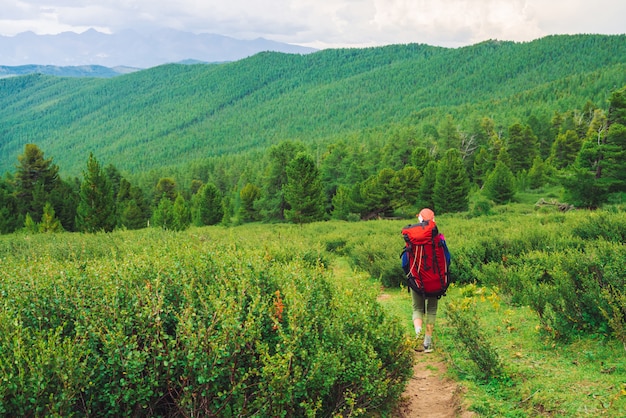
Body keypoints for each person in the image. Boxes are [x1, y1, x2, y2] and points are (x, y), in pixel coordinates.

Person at [411, 208, 439, 353]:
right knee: (432, 309)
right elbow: (447, 259)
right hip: (434, 280)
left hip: (416, 281)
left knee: (417, 309)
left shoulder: (412, 236)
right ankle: (427, 342)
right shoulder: (438, 237)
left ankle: (417, 336)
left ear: (420, 219)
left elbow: (405, 262)